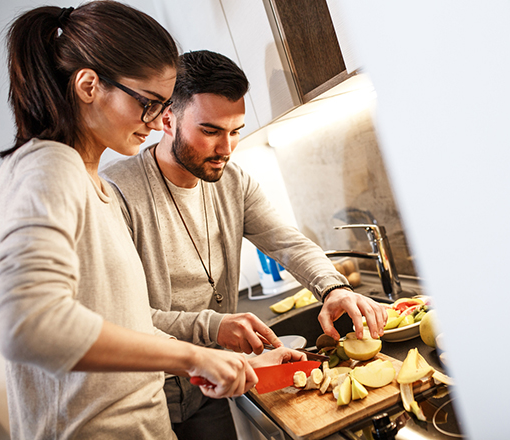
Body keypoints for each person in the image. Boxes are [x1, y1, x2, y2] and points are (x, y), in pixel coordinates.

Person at [0, 4, 303, 439]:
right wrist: (191, 358)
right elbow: (26, 326)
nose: (157, 124)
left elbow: (129, 324)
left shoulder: (87, 180)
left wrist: (225, 357)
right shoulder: (50, 166)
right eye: (149, 104)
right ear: (88, 86)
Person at [101, 49, 388, 438]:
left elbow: (288, 242)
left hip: (215, 386)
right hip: (146, 398)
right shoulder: (115, 194)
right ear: (167, 119)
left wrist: (332, 286)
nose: (226, 148)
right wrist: (216, 326)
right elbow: (123, 320)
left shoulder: (234, 181)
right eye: (210, 131)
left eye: (235, 131)